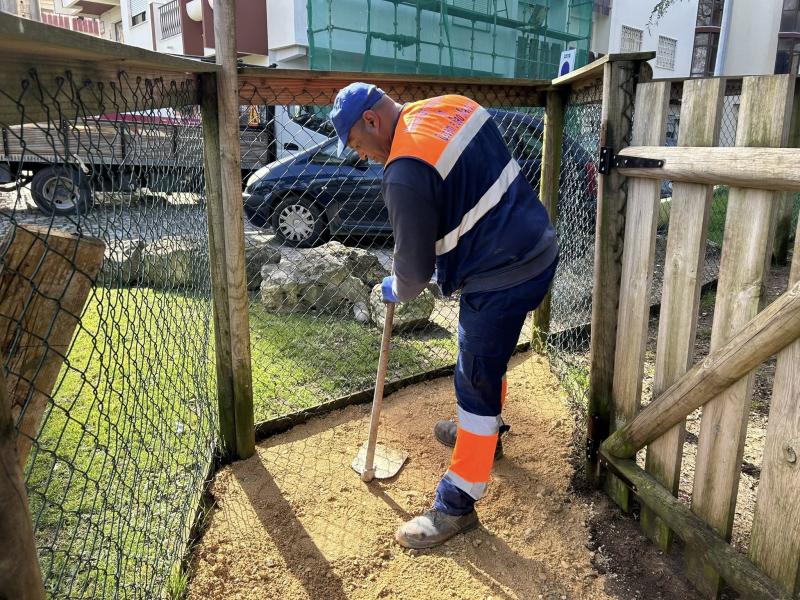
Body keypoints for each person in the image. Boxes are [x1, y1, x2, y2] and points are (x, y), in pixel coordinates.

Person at [330, 82, 559, 549]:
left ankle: (458, 501)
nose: (361, 156)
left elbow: (413, 275)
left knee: (474, 377)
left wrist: (396, 286)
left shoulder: (403, 172)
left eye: (356, 143)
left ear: (372, 121)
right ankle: (485, 433)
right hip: (537, 248)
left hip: (501, 275)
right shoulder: (452, 107)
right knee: (487, 359)